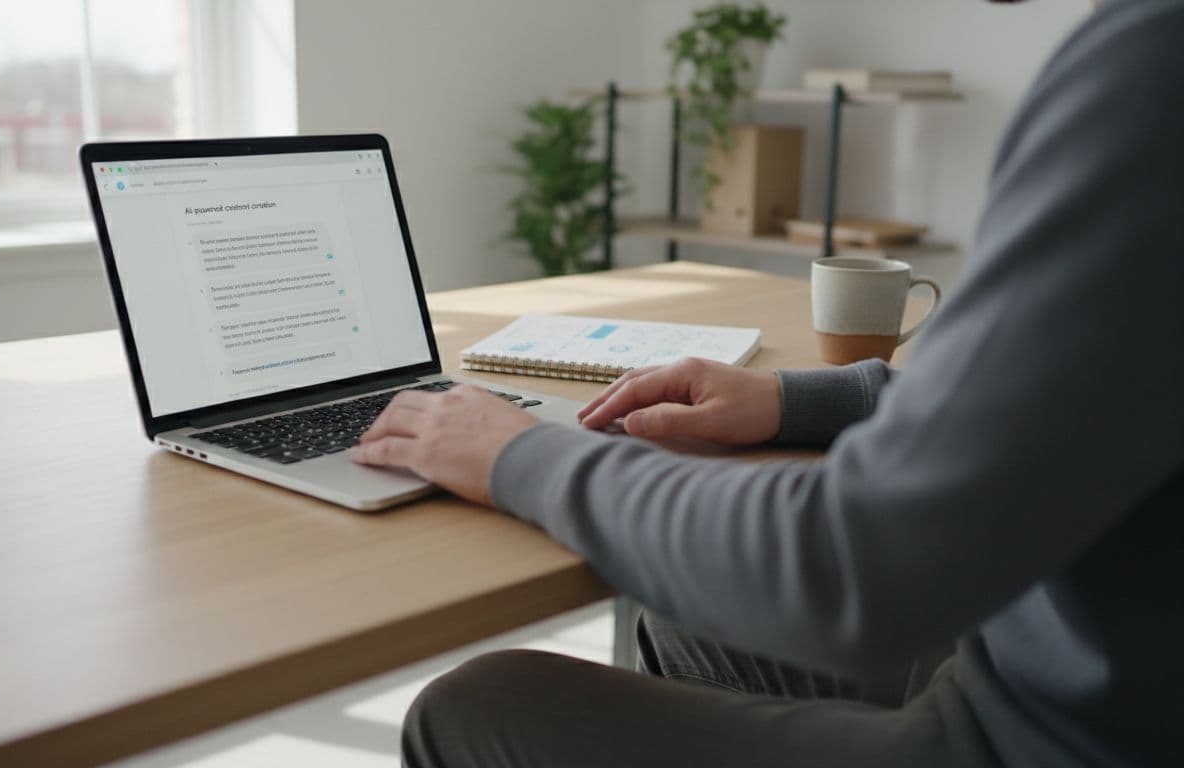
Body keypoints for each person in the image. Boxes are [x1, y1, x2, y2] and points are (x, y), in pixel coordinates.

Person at [350, 0, 1184, 765]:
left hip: (1047, 741)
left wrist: (521, 456)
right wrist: (796, 397)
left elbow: (857, 565)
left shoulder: (1156, 66)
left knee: (477, 707)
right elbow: (1067, 404)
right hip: (1078, 666)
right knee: (690, 610)